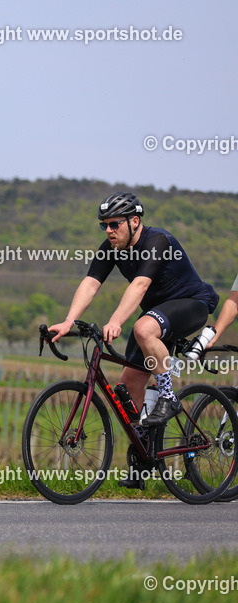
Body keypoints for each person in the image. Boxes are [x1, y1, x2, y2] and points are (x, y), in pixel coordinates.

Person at [48, 191, 219, 489]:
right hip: (156, 314)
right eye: (104, 226)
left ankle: (168, 397)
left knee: (142, 328)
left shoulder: (158, 242)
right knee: (127, 387)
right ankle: (145, 456)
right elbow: (91, 283)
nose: (109, 231)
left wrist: (115, 321)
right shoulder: (111, 247)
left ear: (134, 221)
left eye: (114, 224)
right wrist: (69, 320)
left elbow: (140, 285)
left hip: (192, 304)